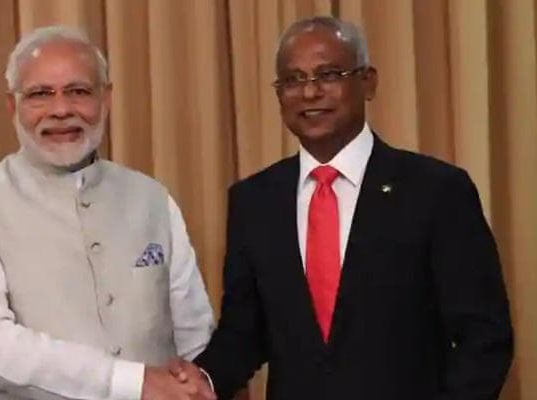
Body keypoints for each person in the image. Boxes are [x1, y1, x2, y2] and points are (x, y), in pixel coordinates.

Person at [172, 16, 513, 400]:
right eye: (293, 79)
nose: (310, 92)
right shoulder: (254, 201)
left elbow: (484, 337)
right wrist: (201, 380)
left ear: (368, 82)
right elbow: (243, 332)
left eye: (329, 74)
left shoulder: (436, 191)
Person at [0, 26, 216, 400]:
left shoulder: (151, 198)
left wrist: (199, 383)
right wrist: (130, 382)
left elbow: (194, 334)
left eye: (79, 91)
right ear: (12, 106)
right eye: (40, 94)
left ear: (105, 99)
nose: (61, 110)